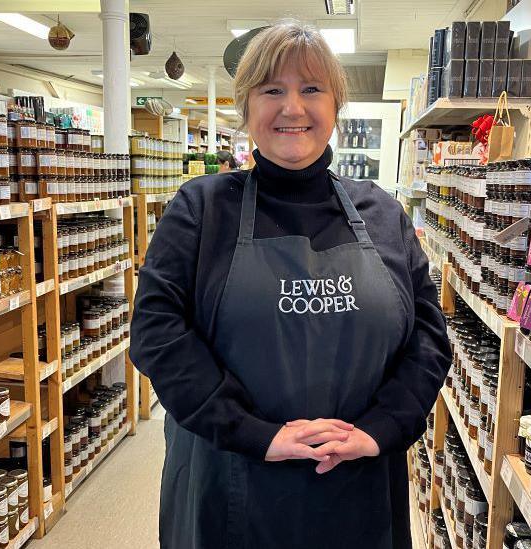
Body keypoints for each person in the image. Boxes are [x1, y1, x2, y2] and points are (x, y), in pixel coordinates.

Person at [130, 20, 451, 549]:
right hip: (230, 482)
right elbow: (157, 333)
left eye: (311, 89)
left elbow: (429, 337)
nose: (292, 108)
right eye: (272, 90)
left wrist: (382, 428)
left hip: (358, 487)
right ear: (246, 106)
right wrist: (256, 434)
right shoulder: (201, 210)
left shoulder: (381, 214)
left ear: (335, 105)